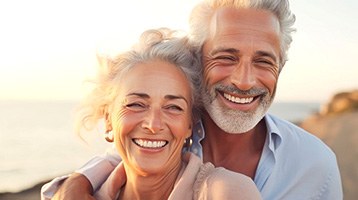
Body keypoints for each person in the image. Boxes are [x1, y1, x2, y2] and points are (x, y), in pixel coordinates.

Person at [42, 0, 343, 199]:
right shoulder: (171, 136)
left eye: (264, 62)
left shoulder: (315, 167)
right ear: (198, 60)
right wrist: (76, 183)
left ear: (280, 68)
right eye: (226, 57)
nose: (244, 80)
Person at [42, 28, 262, 200]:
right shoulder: (79, 192)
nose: (153, 124)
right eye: (136, 104)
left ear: (189, 125)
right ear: (109, 120)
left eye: (173, 107)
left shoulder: (226, 192)